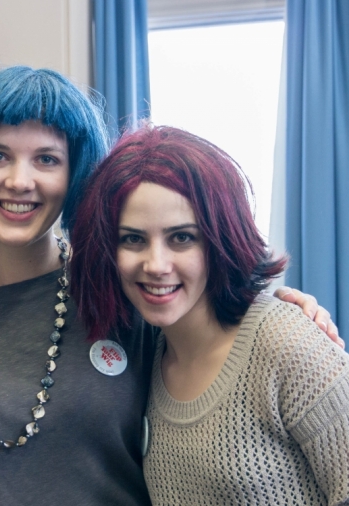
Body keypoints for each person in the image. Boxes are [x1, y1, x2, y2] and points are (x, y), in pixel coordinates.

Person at [0, 67, 337, 506]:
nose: (20, 180)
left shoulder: (128, 292)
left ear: (76, 174)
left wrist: (281, 311)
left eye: (47, 159)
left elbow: (222, 331)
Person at [71, 125, 349, 505]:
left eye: (181, 237)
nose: (156, 265)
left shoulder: (286, 341)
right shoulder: (143, 351)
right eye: (133, 238)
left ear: (221, 239)